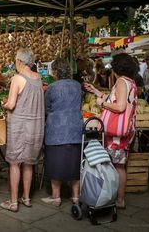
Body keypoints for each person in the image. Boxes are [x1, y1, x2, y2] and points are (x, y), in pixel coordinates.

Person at [84, 53, 138, 209]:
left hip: (116, 133)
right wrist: (96, 91)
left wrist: (102, 104)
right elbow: (116, 100)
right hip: (125, 130)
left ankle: (116, 199)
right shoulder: (130, 82)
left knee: (117, 166)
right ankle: (119, 199)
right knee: (120, 164)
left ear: (117, 68)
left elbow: (120, 106)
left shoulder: (121, 81)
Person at [0, 48, 44, 212]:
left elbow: (11, 104)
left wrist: (4, 103)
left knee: (14, 163)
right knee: (28, 164)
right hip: (36, 126)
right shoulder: (38, 78)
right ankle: (26, 198)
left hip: (19, 126)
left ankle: (13, 202)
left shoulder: (18, 78)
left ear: (19, 61)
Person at [41, 58, 83, 207]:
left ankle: (56, 196)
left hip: (56, 130)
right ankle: (76, 197)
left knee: (55, 162)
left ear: (56, 72)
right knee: (75, 163)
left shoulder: (52, 88)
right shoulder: (78, 86)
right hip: (76, 129)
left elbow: (46, 107)